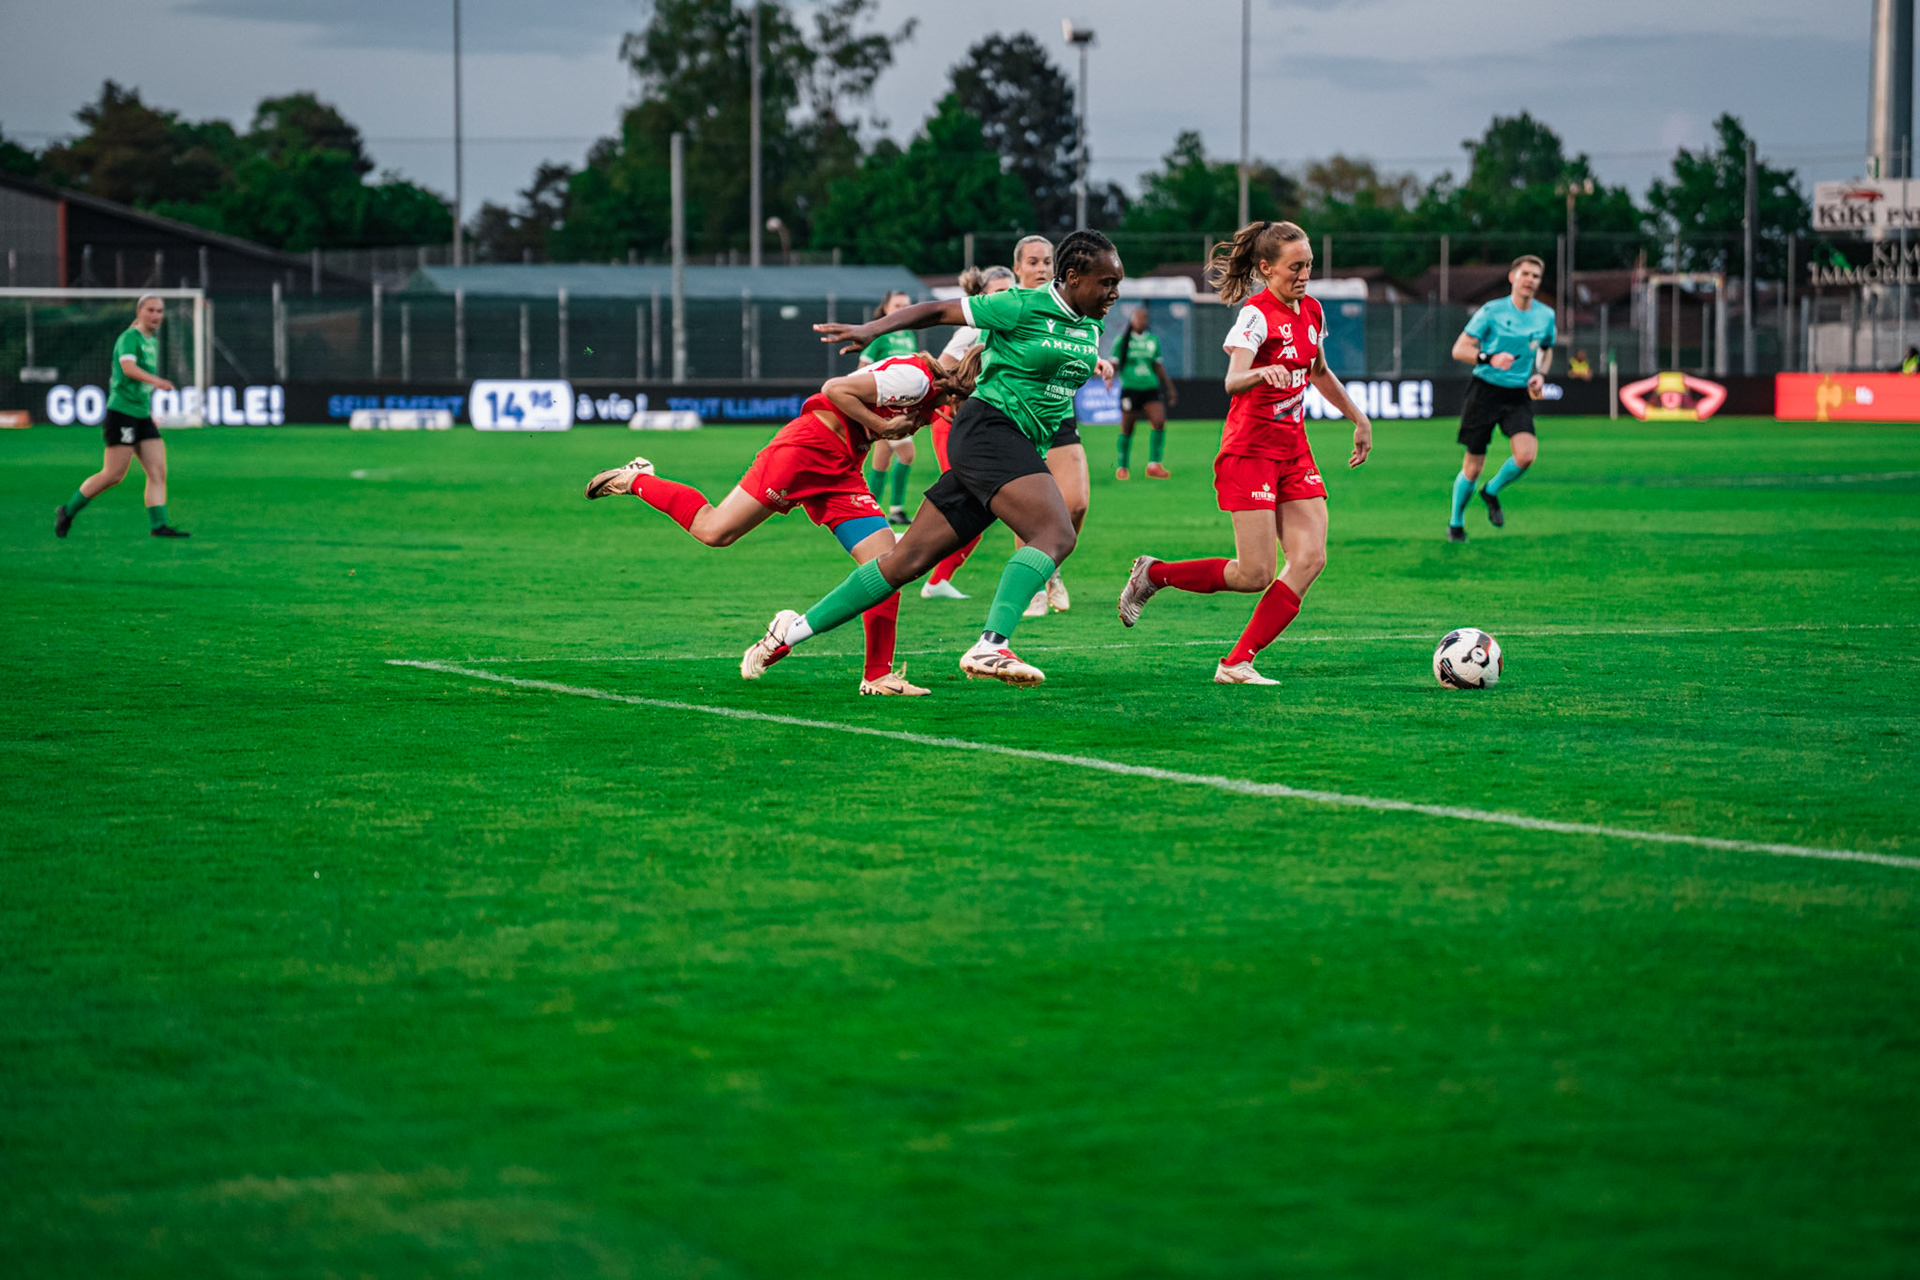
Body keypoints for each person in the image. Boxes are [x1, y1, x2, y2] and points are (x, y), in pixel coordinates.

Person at [740, 229, 1124, 689]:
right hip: (989, 431)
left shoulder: (1091, 325)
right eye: (1107, 283)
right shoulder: (1021, 304)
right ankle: (991, 645)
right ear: (1073, 276)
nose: (1114, 293)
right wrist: (872, 329)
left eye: (1117, 283)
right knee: (1056, 533)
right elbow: (937, 311)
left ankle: (788, 633)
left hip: (1013, 444)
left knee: (905, 562)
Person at [585, 348, 976, 696]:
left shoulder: (937, 397)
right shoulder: (915, 379)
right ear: (966, 388)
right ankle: (637, 479)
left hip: (842, 466)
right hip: (805, 450)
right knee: (714, 531)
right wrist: (887, 428)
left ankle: (877, 676)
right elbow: (834, 389)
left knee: (888, 565)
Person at [1116, 220, 1372, 685]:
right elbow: (1233, 380)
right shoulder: (1255, 315)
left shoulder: (1313, 311)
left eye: (1309, 265)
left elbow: (1319, 371)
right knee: (1254, 574)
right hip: (1249, 453)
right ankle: (1155, 574)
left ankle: (1236, 662)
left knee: (1310, 558)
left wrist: (1358, 418)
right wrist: (1261, 372)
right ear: (1266, 268)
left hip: (1294, 452)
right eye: (1295, 267)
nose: (1305, 275)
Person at [54, 294, 189, 539]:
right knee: (113, 474)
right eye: (150, 310)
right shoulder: (129, 338)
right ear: (139, 312)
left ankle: (159, 526)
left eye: (159, 311)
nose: (156, 315)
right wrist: (157, 381)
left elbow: (140, 384)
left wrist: (148, 412)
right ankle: (68, 511)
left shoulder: (151, 340)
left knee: (158, 471)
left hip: (142, 415)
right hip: (122, 413)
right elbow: (128, 368)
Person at [920, 263, 1017, 601]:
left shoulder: (1010, 330)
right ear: (983, 297)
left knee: (978, 506)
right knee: (973, 503)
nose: (1006, 297)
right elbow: (940, 370)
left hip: (979, 424)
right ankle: (912, 555)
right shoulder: (972, 329)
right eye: (999, 292)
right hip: (953, 421)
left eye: (1011, 291)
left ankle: (935, 578)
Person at [1445, 255, 1555, 541]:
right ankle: (1456, 523)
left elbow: (1546, 348)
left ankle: (1491, 490)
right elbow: (1459, 350)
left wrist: (1541, 374)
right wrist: (1489, 358)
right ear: (1512, 277)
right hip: (1484, 392)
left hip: (1517, 394)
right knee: (1472, 468)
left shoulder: (1546, 315)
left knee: (1526, 456)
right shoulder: (1492, 311)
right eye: (1525, 274)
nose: (1530, 280)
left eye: (1536, 276)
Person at [858, 291, 920, 524]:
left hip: (902, 404)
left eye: (906, 306)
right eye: (897, 305)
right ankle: (896, 510)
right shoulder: (879, 335)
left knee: (881, 460)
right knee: (907, 453)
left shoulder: (908, 334)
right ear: (886, 308)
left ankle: (869, 511)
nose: (902, 310)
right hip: (885, 405)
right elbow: (863, 367)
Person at [1112, 306, 1177, 479]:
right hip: (1130, 389)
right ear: (1132, 320)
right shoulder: (1122, 341)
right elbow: (1115, 363)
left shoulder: (1152, 340)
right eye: (1139, 318)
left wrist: (1169, 387)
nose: (1143, 321)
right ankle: (1122, 466)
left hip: (1150, 388)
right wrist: (1108, 376)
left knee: (1159, 422)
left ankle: (1153, 465)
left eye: (1145, 318)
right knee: (1127, 428)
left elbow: (1158, 366)